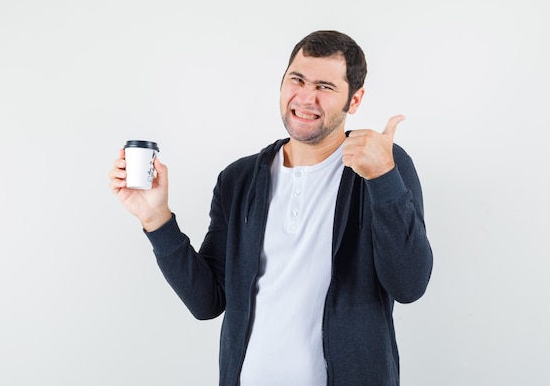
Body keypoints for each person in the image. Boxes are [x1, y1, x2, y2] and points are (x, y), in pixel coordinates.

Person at [109, 30, 433, 386]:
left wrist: (383, 177)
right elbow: (207, 302)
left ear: (354, 101)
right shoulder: (239, 178)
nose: (306, 97)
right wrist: (156, 219)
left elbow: (409, 285)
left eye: (325, 87)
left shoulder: (384, 164)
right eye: (297, 79)